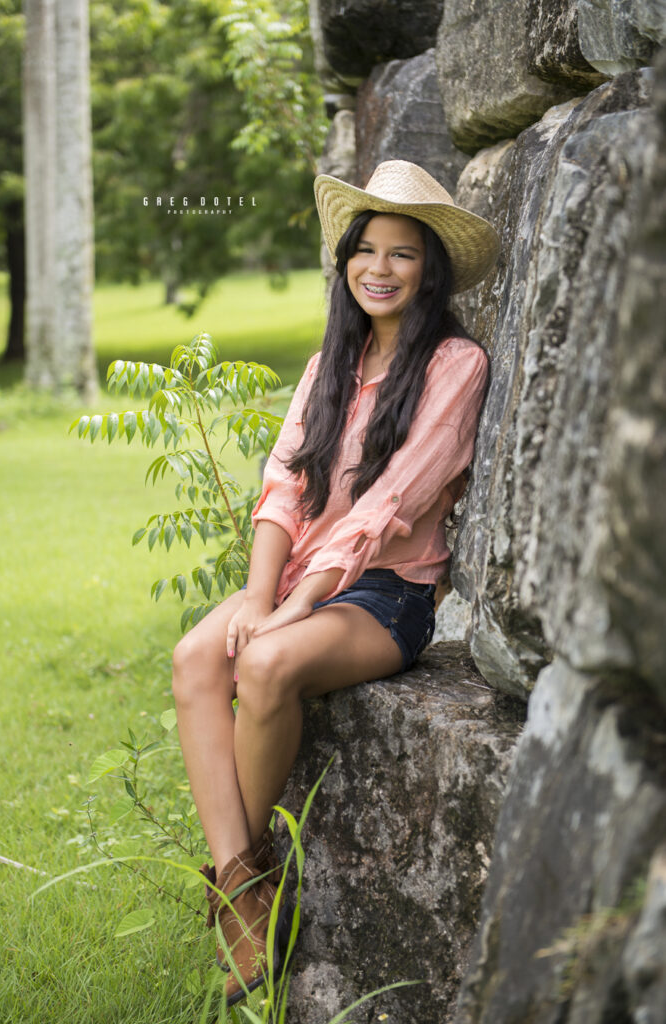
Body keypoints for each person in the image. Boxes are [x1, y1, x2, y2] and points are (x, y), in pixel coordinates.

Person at [171, 159, 500, 1005]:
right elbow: (284, 484)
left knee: (267, 667)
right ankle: (244, 880)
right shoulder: (329, 364)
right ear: (344, 261)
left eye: (402, 254)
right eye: (365, 251)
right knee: (194, 659)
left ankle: (239, 889)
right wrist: (257, 595)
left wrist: (293, 608)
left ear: (429, 271)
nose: (378, 270)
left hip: (384, 594)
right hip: (298, 582)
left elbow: (391, 504)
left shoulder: (455, 365)